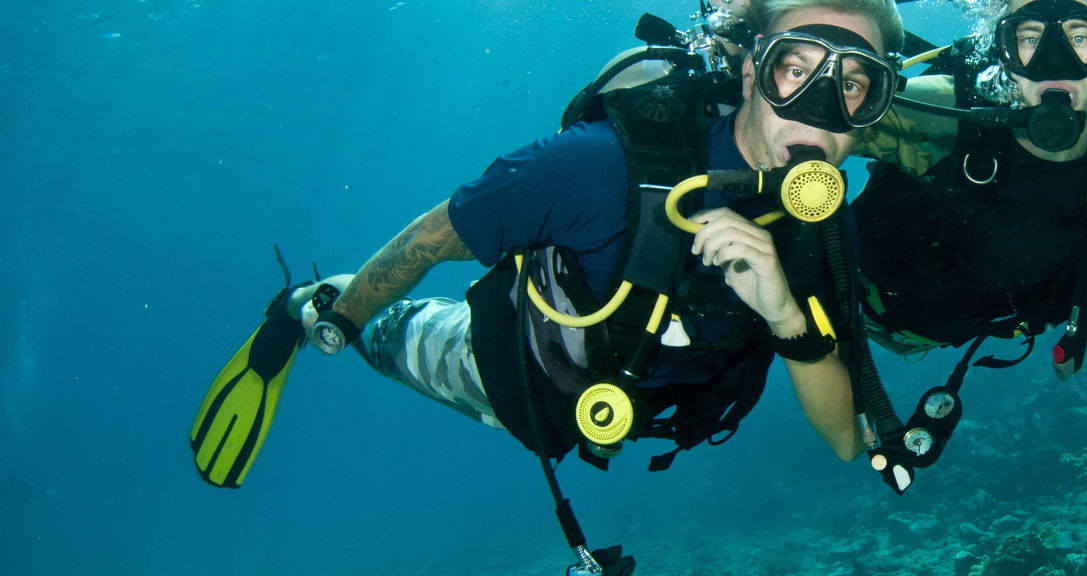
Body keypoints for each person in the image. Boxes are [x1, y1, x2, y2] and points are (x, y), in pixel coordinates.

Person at [189, 1, 904, 573]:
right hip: (516, 377)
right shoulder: (598, 166)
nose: (818, 108)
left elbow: (845, 439)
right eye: (794, 69)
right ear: (751, 74)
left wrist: (782, 310)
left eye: (850, 84)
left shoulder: (818, 226)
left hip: (654, 417)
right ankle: (303, 305)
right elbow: (433, 237)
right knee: (395, 336)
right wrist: (335, 327)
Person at [838, 0, 1087, 494]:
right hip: (858, 305)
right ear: (1003, 51)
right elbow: (806, 122)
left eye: (1079, 36)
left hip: (978, 324)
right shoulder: (940, 115)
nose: (1054, 61)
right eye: (1030, 38)